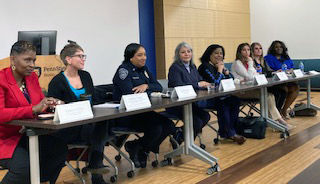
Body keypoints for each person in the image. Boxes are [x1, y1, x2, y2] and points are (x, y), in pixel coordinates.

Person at [0, 41, 67, 184]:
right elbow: (1, 114)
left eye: (34, 60)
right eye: (27, 60)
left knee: (59, 149)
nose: (32, 64)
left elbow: (40, 103)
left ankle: (37, 180)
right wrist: (32, 109)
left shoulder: (32, 78)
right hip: (5, 138)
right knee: (23, 167)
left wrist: (50, 104)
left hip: (26, 134)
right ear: (13, 59)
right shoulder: (1, 80)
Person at [47, 42, 109, 184]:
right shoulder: (57, 82)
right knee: (99, 127)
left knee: (102, 122)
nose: (83, 59)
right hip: (68, 128)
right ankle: (96, 169)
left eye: (84, 56)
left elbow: (91, 101)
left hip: (88, 123)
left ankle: (95, 166)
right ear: (68, 59)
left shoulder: (86, 76)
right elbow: (54, 109)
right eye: (80, 56)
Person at [112, 43, 176, 168]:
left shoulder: (144, 69)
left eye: (145, 55)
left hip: (143, 111)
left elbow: (158, 86)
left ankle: (140, 148)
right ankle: (140, 148)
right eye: (140, 55)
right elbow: (130, 92)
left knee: (169, 125)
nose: (144, 58)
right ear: (130, 57)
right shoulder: (123, 70)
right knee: (156, 128)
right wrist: (149, 91)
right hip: (127, 115)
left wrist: (146, 86)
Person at [232, 43, 293, 128]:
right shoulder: (237, 63)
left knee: (270, 95)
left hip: (250, 88)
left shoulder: (248, 62)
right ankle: (277, 121)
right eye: (244, 50)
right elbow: (250, 76)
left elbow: (257, 75)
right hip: (240, 92)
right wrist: (250, 63)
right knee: (267, 96)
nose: (247, 52)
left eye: (248, 50)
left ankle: (275, 120)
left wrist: (251, 75)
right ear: (239, 52)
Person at [198, 44, 245, 144]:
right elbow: (215, 83)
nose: (219, 56)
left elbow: (232, 81)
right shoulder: (204, 67)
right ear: (209, 55)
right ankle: (229, 133)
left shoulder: (218, 67)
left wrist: (227, 73)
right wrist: (220, 70)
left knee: (235, 100)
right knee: (224, 103)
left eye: (221, 53)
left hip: (220, 97)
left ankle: (230, 130)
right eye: (216, 53)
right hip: (207, 98)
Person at [167, 42, 211, 142]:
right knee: (197, 122)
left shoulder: (193, 67)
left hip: (191, 103)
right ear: (178, 54)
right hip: (177, 104)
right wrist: (199, 85)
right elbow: (179, 86)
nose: (187, 54)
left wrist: (207, 86)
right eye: (183, 52)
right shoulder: (175, 68)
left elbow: (199, 81)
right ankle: (184, 141)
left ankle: (180, 136)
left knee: (205, 116)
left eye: (189, 51)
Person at [264, 40, 299, 119]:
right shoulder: (268, 58)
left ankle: (284, 110)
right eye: (276, 47)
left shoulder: (286, 57)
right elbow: (268, 71)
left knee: (295, 88)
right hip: (274, 82)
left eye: (280, 47)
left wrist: (290, 70)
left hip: (286, 80)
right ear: (273, 49)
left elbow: (291, 68)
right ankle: (277, 112)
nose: (279, 48)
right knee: (284, 89)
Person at [251, 42, 287, 113]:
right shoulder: (251, 61)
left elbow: (269, 71)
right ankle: (272, 114)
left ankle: (278, 112)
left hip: (266, 83)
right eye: (256, 49)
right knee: (277, 93)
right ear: (252, 50)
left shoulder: (263, 60)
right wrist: (270, 73)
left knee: (283, 92)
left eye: (260, 48)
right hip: (258, 86)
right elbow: (257, 74)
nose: (259, 50)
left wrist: (276, 72)